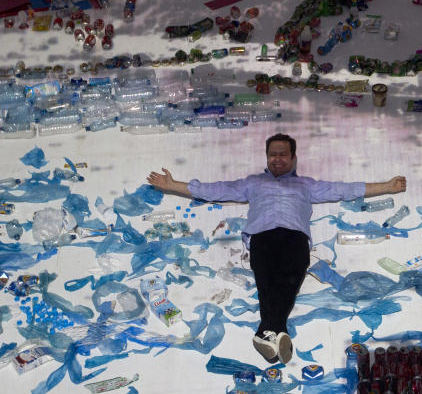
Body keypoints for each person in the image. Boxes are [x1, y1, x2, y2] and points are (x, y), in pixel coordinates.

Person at [146, 132, 407, 364]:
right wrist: (173, 185)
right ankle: (273, 330)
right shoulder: (252, 182)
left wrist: (387, 186)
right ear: (267, 157)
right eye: (273, 155)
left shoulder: (306, 185)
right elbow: (215, 189)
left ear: (293, 157)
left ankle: (267, 333)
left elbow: (344, 189)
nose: (277, 159)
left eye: (283, 154)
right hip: (262, 237)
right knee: (267, 286)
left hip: (295, 238)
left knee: (289, 283)